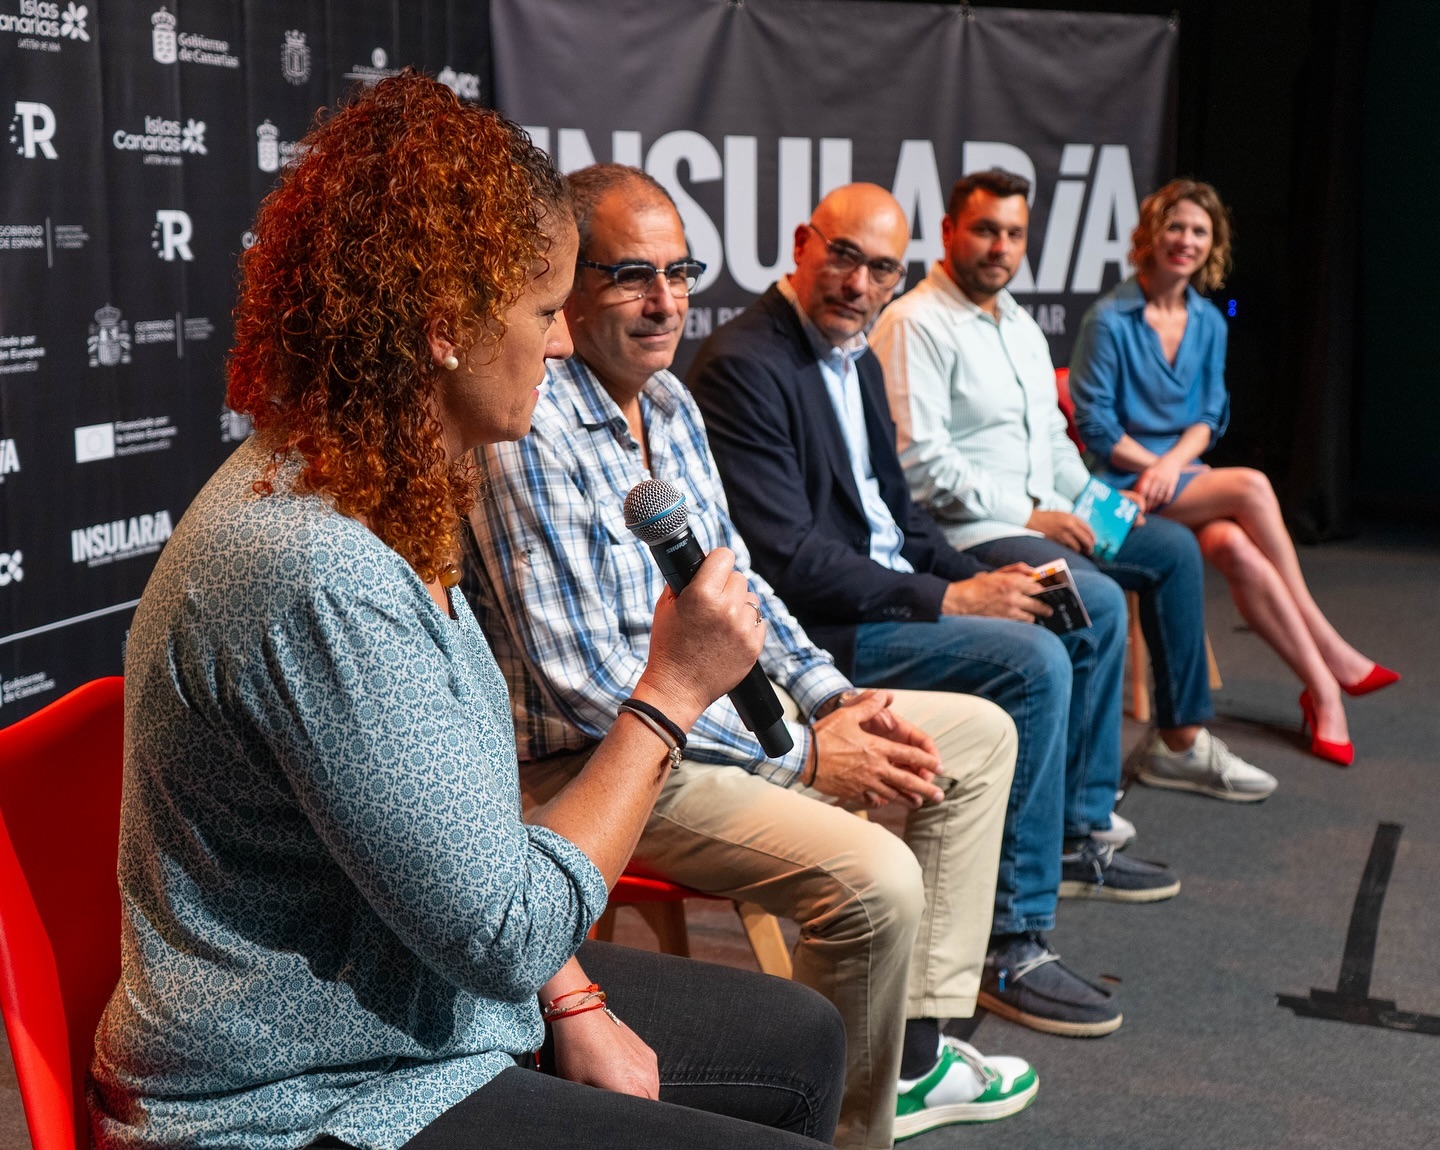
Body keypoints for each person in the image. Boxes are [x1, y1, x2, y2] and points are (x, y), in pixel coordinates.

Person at [87, 75, 849, 1150]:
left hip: (426, 1012)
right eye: (543, 312)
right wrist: (671, 692)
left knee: (803, 1037)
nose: (561, 344)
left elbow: (470, 846)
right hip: (307, 1098)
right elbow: (502, 930)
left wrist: (572, 996)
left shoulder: (382, 490)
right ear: (445, 328)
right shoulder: (312, 563)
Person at [466, 163, 1032, 1150]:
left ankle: (911, 1052)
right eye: (630, 276)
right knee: (879, 882)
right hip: (593, 764)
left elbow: (740, 589)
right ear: (567, 286)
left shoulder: (673, 406)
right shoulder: (533, 424)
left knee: (977, 735)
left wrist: (832, 700)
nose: (664, 302)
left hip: (695, 718)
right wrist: (808, 758)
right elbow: (591, 681)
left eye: (679, 273)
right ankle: (842, 1130)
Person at [686, 182, 1180, 1048]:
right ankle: (1009, 943)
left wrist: (989, 578)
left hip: (879, 593)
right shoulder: (745, 364)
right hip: (817, 631)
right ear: (803, 244)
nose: (858, 282)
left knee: (1060, 607)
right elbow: (790, 562)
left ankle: (1066, 840)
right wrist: (952, 596)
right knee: (1032, 665)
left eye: (881, 268)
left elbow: (903, 523)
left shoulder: (857, 356)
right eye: (843, 256)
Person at [869, 168, 1277, 802]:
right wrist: (1032, 517)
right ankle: (1082, 811)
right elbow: (922, 468)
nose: (1001, 247)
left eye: (1014, 233)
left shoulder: (1020, 326)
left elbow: (1054, 446)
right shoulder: (915, 323)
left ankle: (1181, 743)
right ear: (949, 232)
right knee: (1095, 600)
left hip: (1039, 513)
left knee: (1170, 549)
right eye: (984, 231)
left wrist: (1101, 504)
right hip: (968, 532)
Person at [1069, 178, 1399, 767]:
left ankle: (1323, 693)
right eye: (1176, 226)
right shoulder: (1108, 320)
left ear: (1212, 243)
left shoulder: (1209, 321)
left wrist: (1172, 465)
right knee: (1250, 485)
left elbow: (1209, 415)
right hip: (1112, 497)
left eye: (1199, 231)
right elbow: (1096, 430)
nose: (1186, 240)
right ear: (1150, 234)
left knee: (1235, 548)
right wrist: (1160, 465)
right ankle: (1329, 647)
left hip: (1179, 482)